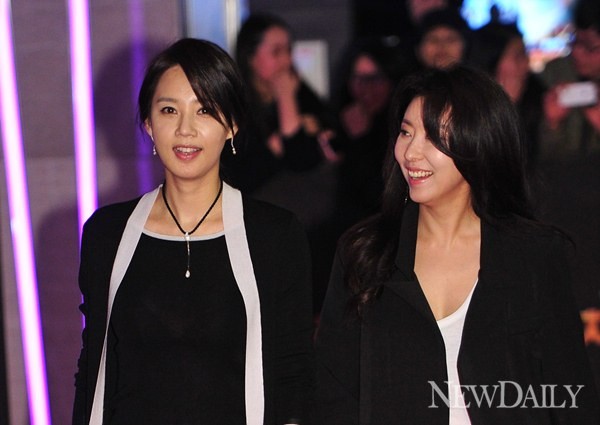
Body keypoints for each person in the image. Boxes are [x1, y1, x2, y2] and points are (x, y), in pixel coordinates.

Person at [315, 66, 600, 424]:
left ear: (478, 142)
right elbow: (333, 393)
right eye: (406, 132)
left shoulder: (532, 255)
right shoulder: (365, 253)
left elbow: (571, 392)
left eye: (434, 136)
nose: (411, 153)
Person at [72, 38, 314, 425]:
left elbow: (294, 371)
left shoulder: (274, 235)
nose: (185, 129)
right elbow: (93, 369)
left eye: (205, 110)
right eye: (169, 110)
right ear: (149, 123)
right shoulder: (107, 233)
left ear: (232, 124)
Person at [468, 22, 545, 167]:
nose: (526, 63)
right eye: (518, 56)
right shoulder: (465, 111)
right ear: (492, 62)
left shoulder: (536, 96)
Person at [540, 0, 600, 158]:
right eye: (575, 41)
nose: (577, 52)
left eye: (590, 47)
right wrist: (552, 124)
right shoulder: (555, 73)